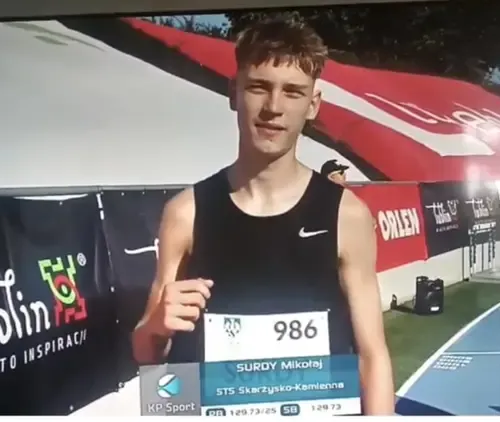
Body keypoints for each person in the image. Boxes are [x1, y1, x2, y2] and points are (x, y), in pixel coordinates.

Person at [131, 17, 394, 415]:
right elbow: (147, 354)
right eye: (259, 87)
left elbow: (373, 356)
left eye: (292, 92)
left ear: (312, 105)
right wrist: (156, 327)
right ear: (233, 93)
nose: (273, 108)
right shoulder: (186, 212)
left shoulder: (347, 214)